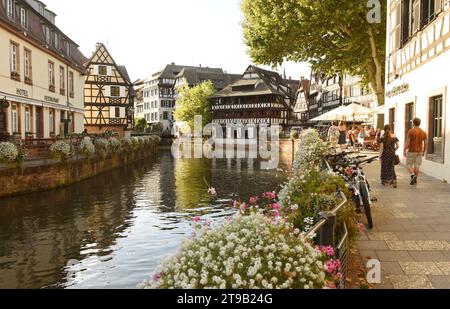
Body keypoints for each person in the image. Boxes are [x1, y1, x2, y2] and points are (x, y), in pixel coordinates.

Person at [404, 118, 427, 185]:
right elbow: (426, 143)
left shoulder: (411, 131)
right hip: (420, 151)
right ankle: (415, 179)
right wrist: (424, 151)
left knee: (409, 165)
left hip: (411, 151)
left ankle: (413, 175)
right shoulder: (423, 132)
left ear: (413, 123)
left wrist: (404, 149)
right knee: (417, 166)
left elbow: (408, 142)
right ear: (419, 123)